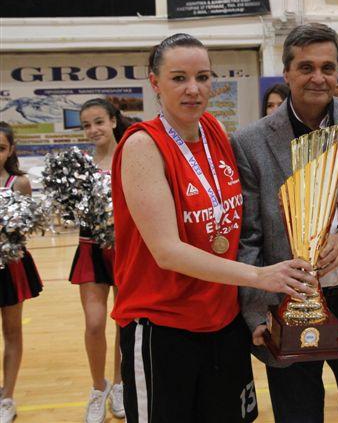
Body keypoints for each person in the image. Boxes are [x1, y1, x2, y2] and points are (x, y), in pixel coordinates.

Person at [110, 33, 315, 423]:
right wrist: (260, 277)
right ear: (155, 83)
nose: (193, 89)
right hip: (163, 326)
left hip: (223, 322)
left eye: (202, 77)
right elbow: (167, 252)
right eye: (179, 78)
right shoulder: (142, 145)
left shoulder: (215, 131)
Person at [231, 23, 338, 422]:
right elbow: (249, 237)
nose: (318, 77)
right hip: (286, 304)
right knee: (298, 416)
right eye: (306, 67)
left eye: (328, 67)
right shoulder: (251, 141)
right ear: (287, 73)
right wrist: (255, 313)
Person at [68, 99, 128, 423]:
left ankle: (119, 383)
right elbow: (70, 213)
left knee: (123, 320)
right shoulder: (78, 167)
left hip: (126, 250)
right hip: (90, 248)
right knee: (94, 323)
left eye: (99, 122)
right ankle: (97, 387)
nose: (93, 130)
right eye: (86, 125)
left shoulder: (130, 157)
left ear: (113, 121)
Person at [0, 122, 42, 423]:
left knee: (12, 331)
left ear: (11, 150)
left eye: (1, 148)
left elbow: (26, 228)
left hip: (10, 266)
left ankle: (7, 397)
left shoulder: (19, 183)